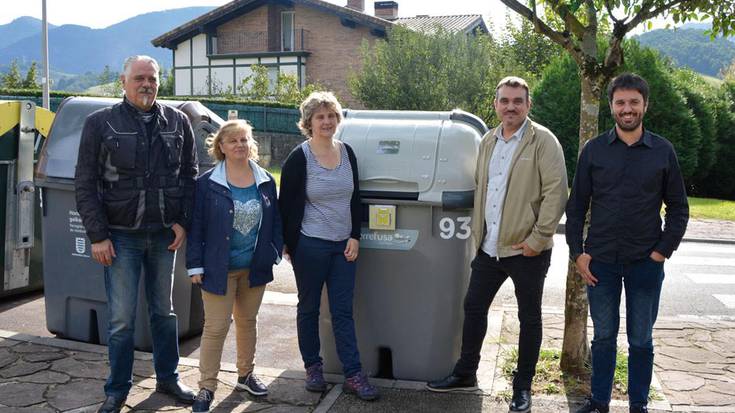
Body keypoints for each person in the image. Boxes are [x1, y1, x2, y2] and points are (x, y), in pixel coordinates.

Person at [427, 76, 568, 413]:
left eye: (517, 101)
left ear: (528, 105)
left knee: (529, 318)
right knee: (473, 308)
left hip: (526, 250)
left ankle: (523, 388)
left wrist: (537, 240)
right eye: (504, 100)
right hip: (489, 248)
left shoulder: (543, 141)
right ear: (496, 104)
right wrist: (480, 236)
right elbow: (485, 190)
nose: (511, 107)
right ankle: (466, 373)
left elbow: (556, 193)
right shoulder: (489, 140)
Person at [74, 55, 198, 413]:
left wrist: (182, 221)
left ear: (160, 82)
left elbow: (189, 176)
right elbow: (86, 183)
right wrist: (98, 235)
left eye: (153, 78)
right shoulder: (101, 123)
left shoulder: (177, 122)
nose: (147, 84)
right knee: (121, 320)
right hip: (120, 237)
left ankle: (168, 378)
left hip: (163, 235)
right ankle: (117, 390)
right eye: (139, 78)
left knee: (164, 313)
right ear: (124, 82)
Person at [567, 73, 689, 413]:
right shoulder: (593, 151)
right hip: (601, 262)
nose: (627, 108)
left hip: (645, 264)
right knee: (603, 337)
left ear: (645, 105)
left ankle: (638, 404)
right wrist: (578, 254)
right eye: (620, 102)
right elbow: (576, 207)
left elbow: (679, 209)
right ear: (611, 107)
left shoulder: (663, 151)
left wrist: (660, 253)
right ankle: (599, 402)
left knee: (641, 340)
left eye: (634, 102)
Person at [278, 91, 378, 401]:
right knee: (308, 309)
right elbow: (286, 205)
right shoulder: (300, 157)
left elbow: (355, 198)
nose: (327, 121)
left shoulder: (347, 152)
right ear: (308, 122)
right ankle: (313, 368)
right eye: (320, 117)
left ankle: (353, 374)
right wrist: (290, 246)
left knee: (343, 312)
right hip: (311, 245)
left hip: (343, 247)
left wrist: (355, 236)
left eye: (331, 116)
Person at [186, 119, 283, 412]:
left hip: (254, 268)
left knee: (247, 323)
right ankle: (206, 387)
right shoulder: (207, 184)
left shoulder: (265, 179)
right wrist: (194, 266)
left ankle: (245, 375)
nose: (240, 145)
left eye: (244, 139)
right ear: (221, 147)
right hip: (217, 269)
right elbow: (196, 227)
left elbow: (276, 220)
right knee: (215, 327)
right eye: (233, 141)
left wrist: (274, 252)